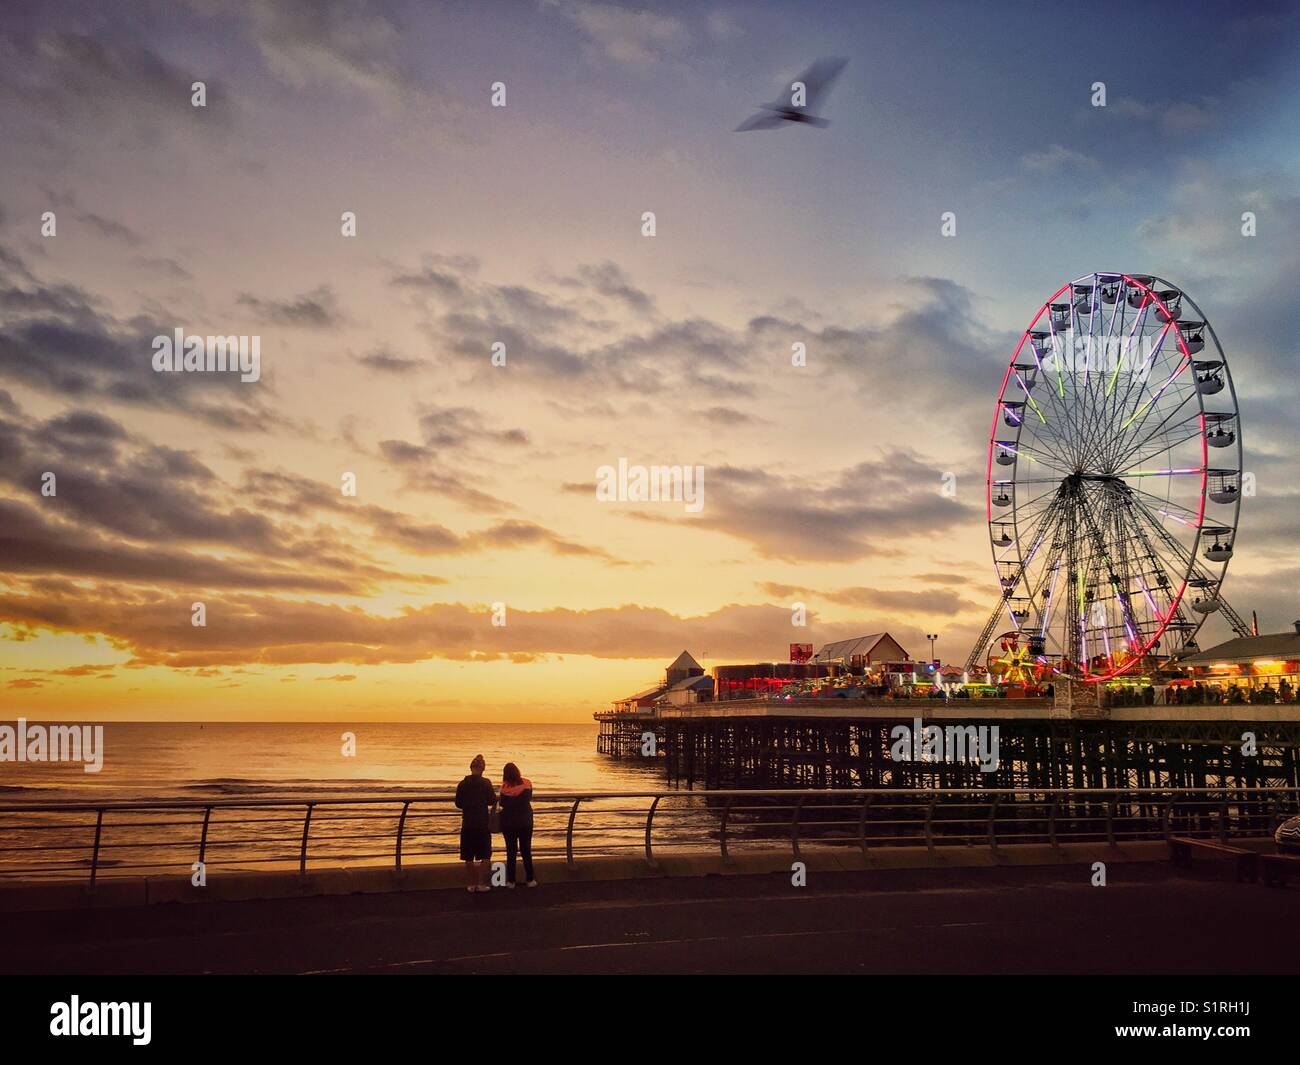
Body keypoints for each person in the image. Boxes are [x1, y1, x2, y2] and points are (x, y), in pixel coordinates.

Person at [455, 754, 496, 892]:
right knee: (485, 854)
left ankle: (471, 884)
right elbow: (492, 800)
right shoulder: (486, 783)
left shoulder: (462, 783)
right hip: (482, 822)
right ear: (482, 769)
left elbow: (458, 803)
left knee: (468, 855)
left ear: (471, 767)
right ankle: (481, 883)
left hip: (467, 822)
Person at [498, 762, 537, 888]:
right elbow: (527, 798)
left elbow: (503, 803)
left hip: (508, 823)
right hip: (525, 821)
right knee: (526, 850)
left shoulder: (504, 787)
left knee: (511, 851)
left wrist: (510, 801)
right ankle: (530, 879)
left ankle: (511, 881)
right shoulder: (527, 783)